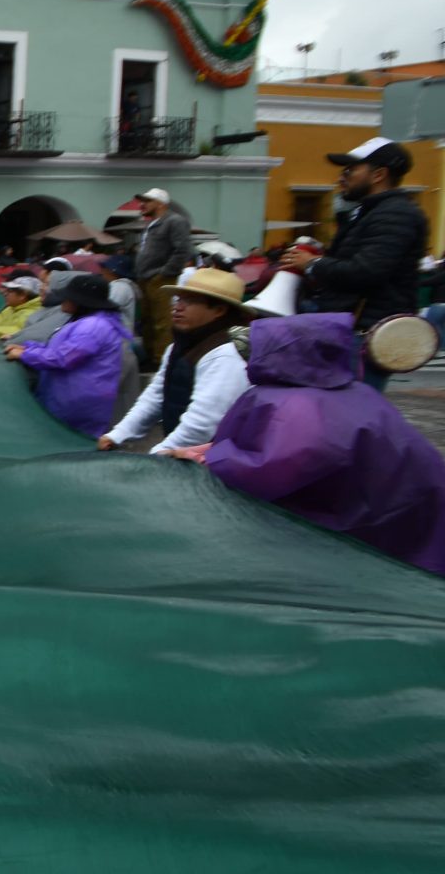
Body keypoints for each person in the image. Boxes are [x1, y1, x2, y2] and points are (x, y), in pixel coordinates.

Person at [176, 313, 445, 574]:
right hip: (415, 503)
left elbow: (276, 466)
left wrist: (212, 459)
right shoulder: (353, 391)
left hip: (387, 521)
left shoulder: (291, 402)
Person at [280, 136, 426, 391]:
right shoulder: (373, 211)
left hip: (363, 334)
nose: (342, 177)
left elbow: (367, 271)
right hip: (350, 329)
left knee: (350, 414)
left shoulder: (395, 213)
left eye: (350, 170)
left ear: (379, 174)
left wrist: (314, 263)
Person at [99, 269, 253, 455]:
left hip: (212, 462)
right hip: (181, 456)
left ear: (219, 311)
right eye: (179, 299)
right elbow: (155, 396)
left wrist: (160, 454)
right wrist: (117, 434)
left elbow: (202, 424)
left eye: (190, 301)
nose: (178, 307)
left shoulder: (226, 355)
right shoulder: (179, 345)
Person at [4, 273, 133, 436]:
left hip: (77, 405)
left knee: (69, 446)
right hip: (73, 398)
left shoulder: (91, 327)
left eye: (67, 298)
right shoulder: (88, 322)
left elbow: (62, 358)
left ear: (82, 302)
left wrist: (24, 355)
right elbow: (59, 349)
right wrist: (28, 348)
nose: (61, 301)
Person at [132, 187, 195, 362]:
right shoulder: (153, 224)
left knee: (162, 321)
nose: (141, 205)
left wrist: (165, 273)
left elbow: (183, 249)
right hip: (146, 278)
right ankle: (150, 356)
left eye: (147, 201)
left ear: (160, 204)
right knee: (148, 320)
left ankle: (162, 359)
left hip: (159, 278)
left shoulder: (174, 221)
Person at [0, 274, 42, 342]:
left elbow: (17, 335)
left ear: (22, 295)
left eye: (10, 291)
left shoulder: (30, 315)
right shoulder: (10, 309)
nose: (5, 294)